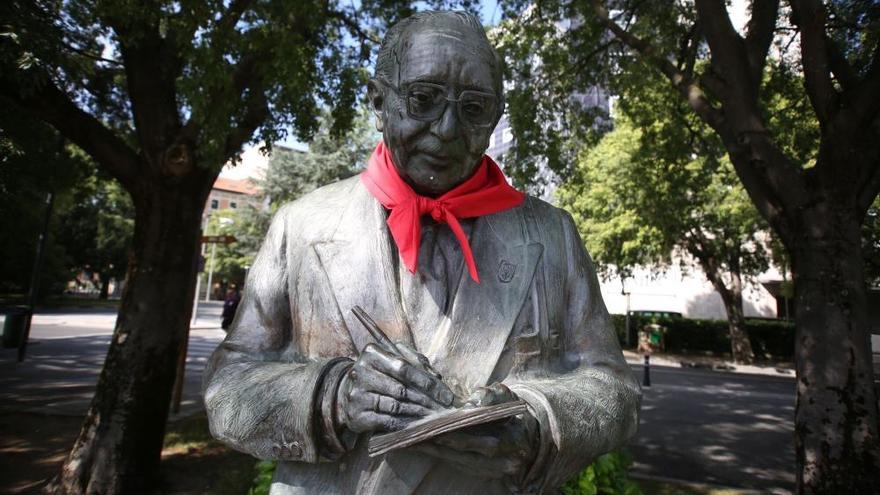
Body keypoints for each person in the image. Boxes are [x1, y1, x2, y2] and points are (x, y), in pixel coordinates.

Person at [203, 11, 640, 494]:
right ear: (378, 101)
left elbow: (613, 388)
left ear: (495, 117)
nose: (448, 129)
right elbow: (228, 388)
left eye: (474, 108)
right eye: (423, 100)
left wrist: (533, 420)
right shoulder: (302, 226)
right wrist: (331, 397)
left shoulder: (552, 235)